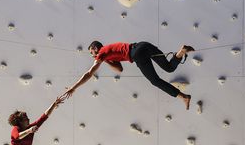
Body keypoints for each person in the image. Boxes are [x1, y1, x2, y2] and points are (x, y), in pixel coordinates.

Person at [60, 41, 195, 110]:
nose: (93, 56)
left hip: (136, 54)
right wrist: (106, 60)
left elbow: (89, 73)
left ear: (95, 48)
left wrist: (74, 87)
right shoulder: (108, 52)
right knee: (169, 68)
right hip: (143, 45)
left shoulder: (101, 52)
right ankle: (182, 51)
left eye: (92, 53)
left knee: (155, 81)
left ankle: (183, 96)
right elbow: (119, 69)